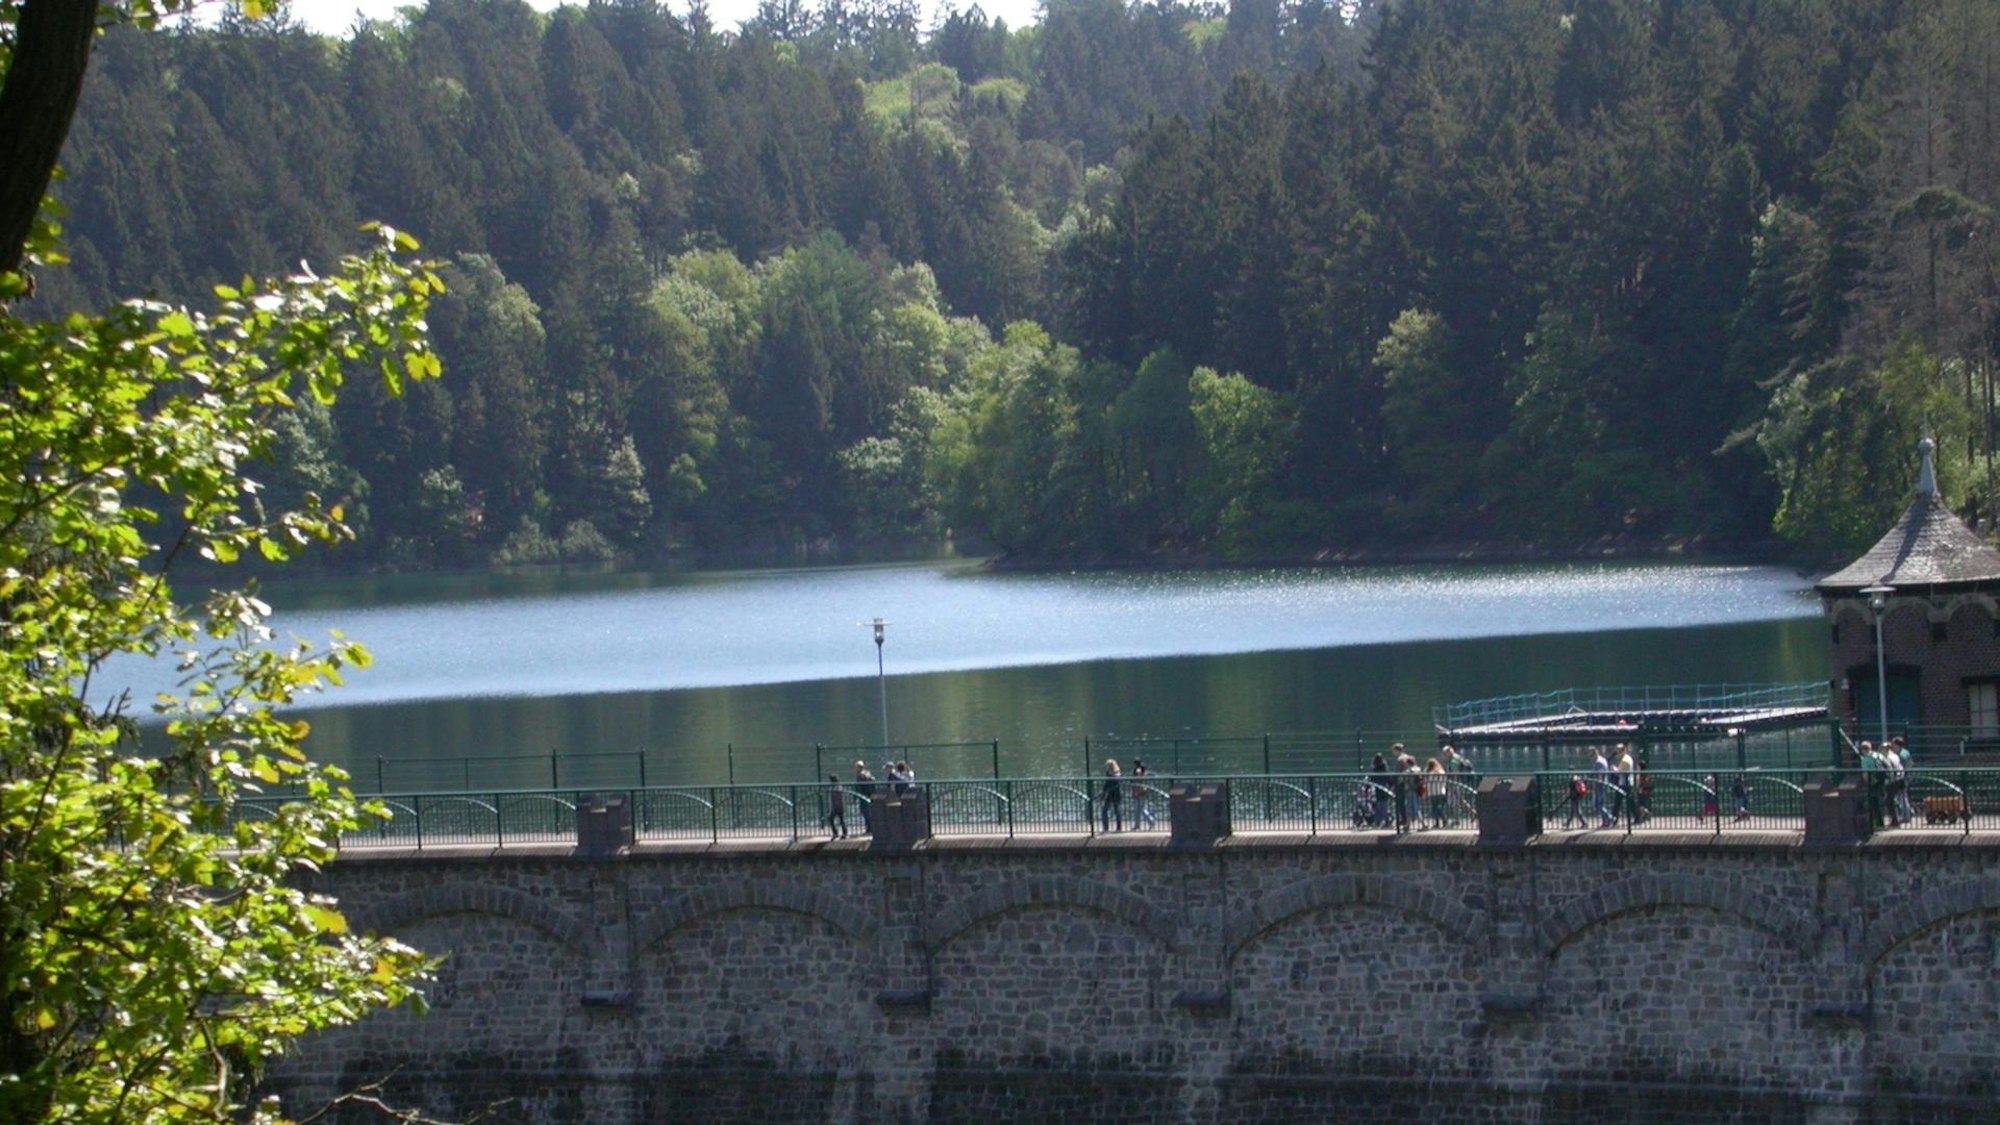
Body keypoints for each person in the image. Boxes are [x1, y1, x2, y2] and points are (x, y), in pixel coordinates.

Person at [1131, 758, 1156, 829]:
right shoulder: (1143, 770)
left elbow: (1138, 780)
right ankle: (1137, 825)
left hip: (1139, 791)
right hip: (1141, 791)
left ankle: (1151, 821)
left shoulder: (1138, 770)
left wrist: (1136, 791)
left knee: (1140, 809)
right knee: (1139, 809)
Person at [1100, 759, 1124, 832]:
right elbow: (1107, 784)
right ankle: (1106, 827)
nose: (1106, 767)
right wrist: (1104, 793)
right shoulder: (1108, 773)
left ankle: (1118, 828)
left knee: (1117, 811)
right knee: (1105, 810)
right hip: (1110, 794)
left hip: (1116, 794)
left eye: (1107, 765)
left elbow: (1113, 782)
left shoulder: (1116, 773)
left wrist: (1104, 792)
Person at [1425, 757, 1450, 827]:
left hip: (1434, 792)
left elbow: (1428, 783)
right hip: (1442, 792)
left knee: (1434, 808)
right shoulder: (1442, 772)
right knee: (1439, 808)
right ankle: (1442, 821)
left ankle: (1439, 821)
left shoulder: (1431, 774)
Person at [852, 761, 876, 835]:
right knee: (868, 812)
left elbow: (858, 788)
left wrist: (855, 797)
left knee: (865, 812)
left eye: (856, 767)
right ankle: (870, 828)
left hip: (863, 796)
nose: (855, 769)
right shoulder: (868, 773)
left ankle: (869, 828)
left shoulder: (860, 776)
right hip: (870, 796)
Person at [1592, 747, 1613, 827]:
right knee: (1600, 804)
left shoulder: (1599, 762)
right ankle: (1605, 821)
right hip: (1603, 784)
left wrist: (1596, 785)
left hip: (1600, 785)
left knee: (1598, 804)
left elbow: (1600, 775)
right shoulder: (1603, 760)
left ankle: (1609, 817)